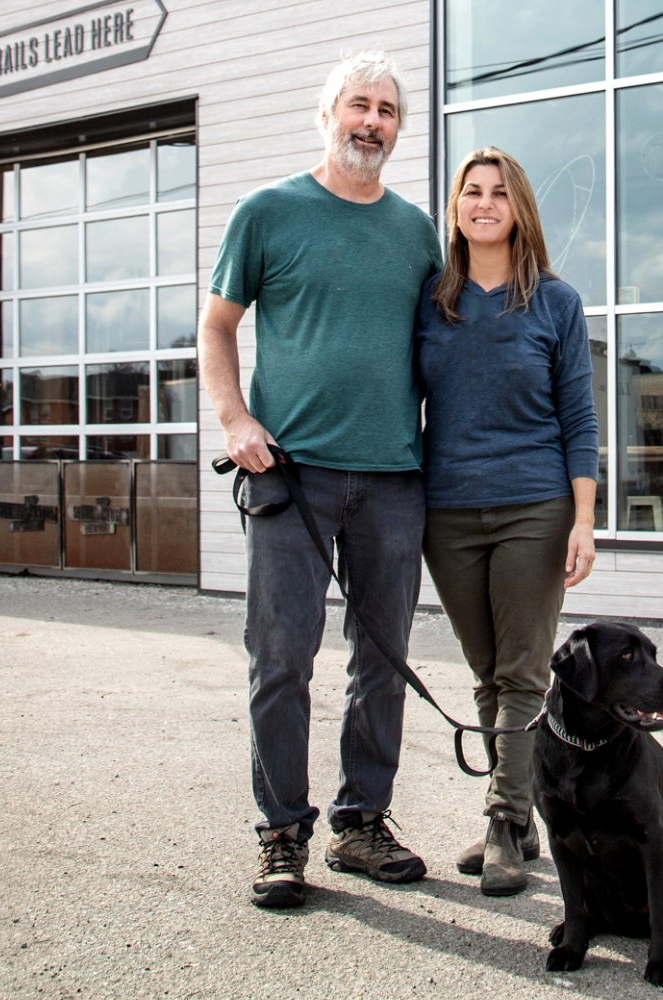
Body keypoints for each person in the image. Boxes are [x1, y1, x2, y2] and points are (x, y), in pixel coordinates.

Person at [198, 52, 443, 908]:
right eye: (358, 106)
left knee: (382, 658)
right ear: (327, 114)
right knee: (281, 659)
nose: (371, 122)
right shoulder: (267, 212)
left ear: (397, 129)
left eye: (387, 111)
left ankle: (361, 824)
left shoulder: (416, 233)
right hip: (288, 478)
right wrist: (236, 420)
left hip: (393, 482)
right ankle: (281, 833)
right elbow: (217, 327)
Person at [416, 147, 599, 897]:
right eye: (471, 192)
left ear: (519, 207)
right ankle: (518, 821)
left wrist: (584, 519)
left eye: (498, 192)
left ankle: (500, 821)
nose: (484, 203)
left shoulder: (556, 302)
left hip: (535, 504)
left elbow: (580, 418)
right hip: (448, 510)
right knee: (486, 674)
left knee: (523, 672)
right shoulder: (431, 300)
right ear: (456, 209)